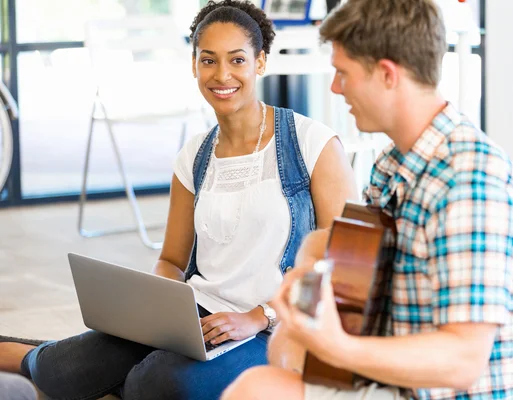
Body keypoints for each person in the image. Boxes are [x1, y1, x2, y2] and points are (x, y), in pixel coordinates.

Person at [0, 1, 357, 399]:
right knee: (64, 370)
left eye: (237, 60)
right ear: (194, 65)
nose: (222, 75)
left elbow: (341, 263)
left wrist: (259, 316)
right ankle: (27, 354)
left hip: (274, 327)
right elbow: (171, 260)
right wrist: (161, 313)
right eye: (208, 60)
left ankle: (127, 376)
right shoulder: (194, 156)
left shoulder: (313, 144)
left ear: (259, 62)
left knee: (157, 382)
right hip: (199, 317)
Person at [222, 0, 513, 399]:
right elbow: (355, 257)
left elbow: (463, 361)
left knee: (256, 389)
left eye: (343, 73)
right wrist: (311, 269)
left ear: (386, 75)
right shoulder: (393, 163)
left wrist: (338, 347)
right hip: (406, 380)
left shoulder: (471, 185)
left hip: (454, 389)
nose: (335, 87)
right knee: (276, 360)